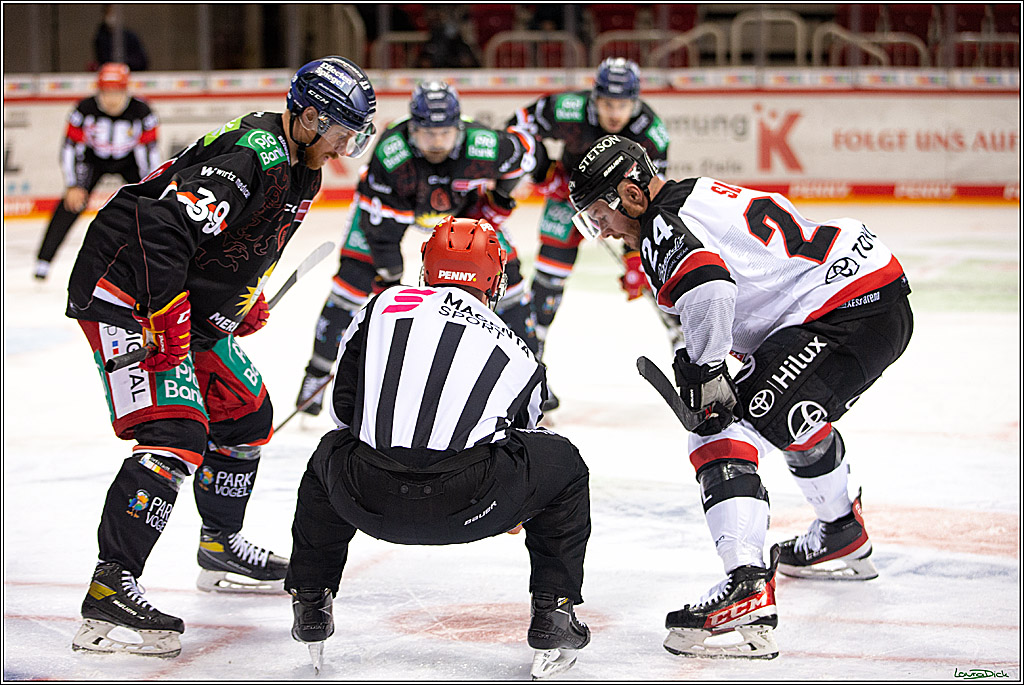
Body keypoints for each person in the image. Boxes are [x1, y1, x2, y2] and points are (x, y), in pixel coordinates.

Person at [65, 56, 378, 658]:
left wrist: (241, 296)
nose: (349, 142)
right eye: (344, 128)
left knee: (244, 413)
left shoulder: (304, 165)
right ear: (309, 117)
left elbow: (236, 241)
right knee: (174, 432)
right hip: (127, 293)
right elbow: (160, 228)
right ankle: (109, 589)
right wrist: (167, 315)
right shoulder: (253, 155)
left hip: (176, 298)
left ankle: (219, 545)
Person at [567, 136, 913, 659]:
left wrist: (706, 371)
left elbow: (709, 286)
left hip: (843, 312)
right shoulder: (691, 194)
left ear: (632, 196)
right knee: (780, 406)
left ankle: (746, 588)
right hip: (866, 294)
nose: (605, 231)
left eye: (600, 215)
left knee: (720, 429)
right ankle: (841, 531)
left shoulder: (661, 224)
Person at [286, 216, 591, 679]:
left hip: (364, 498)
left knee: (329, 452)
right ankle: (555, 610)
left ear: (427, 268)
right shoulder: (519, 349)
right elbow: (524, 437)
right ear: (494, 278)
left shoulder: (380, 305)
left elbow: (342, 412)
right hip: (474, 504)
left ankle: (311, 601)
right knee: (565, 464)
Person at [295, 80, 540, 417]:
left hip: (464, 211)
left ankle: (532, 373)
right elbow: (381, 233)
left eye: (444, 133)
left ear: (459, 128)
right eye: (428, 133)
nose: (436, 142)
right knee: (350, 286)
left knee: (507, 279)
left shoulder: (483, 143)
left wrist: (499, 198)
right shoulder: (391, 153)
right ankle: (317, 375)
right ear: (412, 130)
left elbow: (527, 152)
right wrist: (390, 281)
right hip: (384, 212)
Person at [507, 57, 676, 367]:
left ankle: (683, 342)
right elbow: (515, 129)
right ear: (594, 98)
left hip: (624, 205)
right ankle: (528, 358)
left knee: (656, 269)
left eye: (622, 104)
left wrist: (635, 255)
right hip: (568, 197)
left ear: (635, 102)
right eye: (607, 103)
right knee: (549, 278)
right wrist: (545, 172)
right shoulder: (567, 108)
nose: (614, 113)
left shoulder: (653, 134)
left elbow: (650, 200)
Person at [33, 63, 160, 281]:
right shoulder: (84, 108)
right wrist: (73, 184)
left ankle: (155, 259)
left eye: (117, 92)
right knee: (69, 204)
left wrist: (150, 185)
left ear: (126, 90)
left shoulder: (142, 111)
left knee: (149, 206)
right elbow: (70, 147)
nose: (111, 99)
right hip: (94, 159)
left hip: (129, 160)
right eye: (106, 92)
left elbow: (149, 152)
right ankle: (43, 261)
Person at [94, 5, 149, 72]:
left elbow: (142, 61)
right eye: (109, 12)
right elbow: (103, 61)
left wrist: (125, 64)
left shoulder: (130, 36)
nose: (112, 16)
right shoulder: (100, 38)